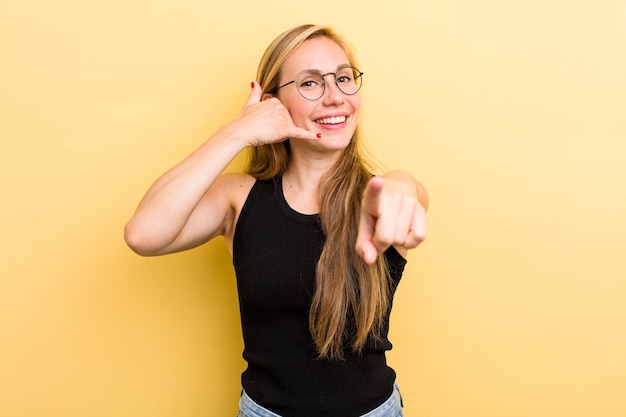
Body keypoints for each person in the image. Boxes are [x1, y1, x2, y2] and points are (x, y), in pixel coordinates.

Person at [124, 23, 428, 417]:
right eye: (310, 84)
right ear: (272, 104)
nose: (335, 97)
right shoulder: (239, 197)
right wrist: (237, 133)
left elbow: (408, 192)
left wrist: (403, 188)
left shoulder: (383, 195)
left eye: (343, 78)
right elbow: (143, 234)